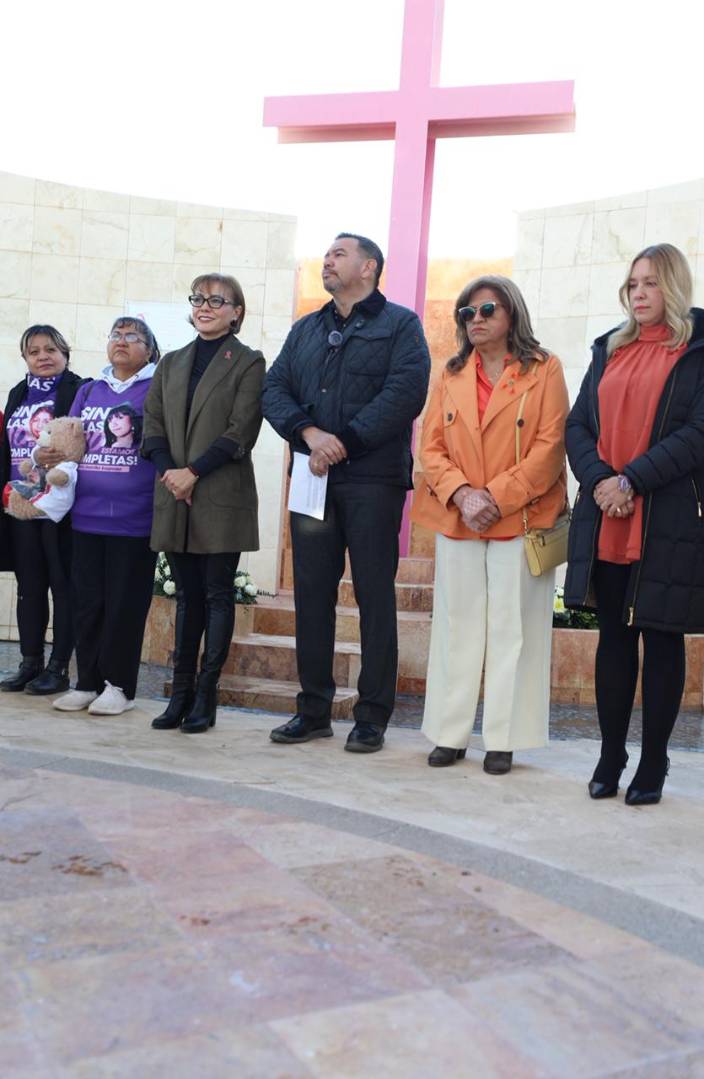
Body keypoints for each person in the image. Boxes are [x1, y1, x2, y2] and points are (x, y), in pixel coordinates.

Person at [262, 233, 431, 753]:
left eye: (338, 254)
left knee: (374, 595)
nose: (327, 261)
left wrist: (345, 443)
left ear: (369, 266)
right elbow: (274, 389)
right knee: (312, 594)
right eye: (326, 255)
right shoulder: (306, 329)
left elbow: (406, 391)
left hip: (371, 480)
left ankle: (372, 716)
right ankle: (312, 710)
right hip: (313, 477)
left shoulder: (400, 324)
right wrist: (309, 435)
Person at [565, 243, 704, 806]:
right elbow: (578, 424)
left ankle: (653, 760)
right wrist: (604, 481)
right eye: (633, 283)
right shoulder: (609, 349)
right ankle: (611, 754)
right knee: (613, 639)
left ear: (673, 286)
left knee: (662, 639)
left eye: (650, 283)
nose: (639, 293)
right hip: (609, 513)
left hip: (670, 516)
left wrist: (632, 480)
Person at [412, 276, 568, 774]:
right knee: (457, 627)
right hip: (458, 517)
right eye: (466, 312)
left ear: (511, 315)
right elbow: (430, 445)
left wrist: (495, 498)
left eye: (486, 310)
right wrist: (462, 494)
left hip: (521, 518)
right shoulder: (450, 373)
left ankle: (505, 737)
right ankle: (449, 733)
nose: (475, 319)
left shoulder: (545, 369)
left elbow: (550, 446)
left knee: (514, 630)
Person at [143, 273, 265, 734]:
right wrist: (172, 474)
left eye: (218, 300)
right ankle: (179, 694)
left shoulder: (249, 362)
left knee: (216, 594)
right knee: (186, 598)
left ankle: (206, 695)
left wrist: (193, 473)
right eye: (199, 299)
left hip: (219, 492)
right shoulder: (171, 362)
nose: (205, 307)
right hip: (173, 490)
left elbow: (242, 429)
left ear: (237, 311)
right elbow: (151, 422)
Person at [52, 317, 160, 715]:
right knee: (88, 603)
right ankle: (87, 682)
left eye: (133, 337)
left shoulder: (156, 387)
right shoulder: (89, 390)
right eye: (115, 334)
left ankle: (120, 687)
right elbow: (69, 443)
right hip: (86, 515)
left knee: (124, 605)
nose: (122, 342)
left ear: (149, 349)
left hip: (135, 517)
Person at [0, 325, 87, 695]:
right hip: (22, 503)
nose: (43, 357)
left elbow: (84, 438)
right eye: (34, 351)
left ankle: (58, 669)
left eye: (50, 349)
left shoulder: (79, 389)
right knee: (29, 586)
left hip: (59, 505)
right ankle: (29, 663)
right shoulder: (18, 392)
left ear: (65, 353)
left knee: (62, 586)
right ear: (25, 359)